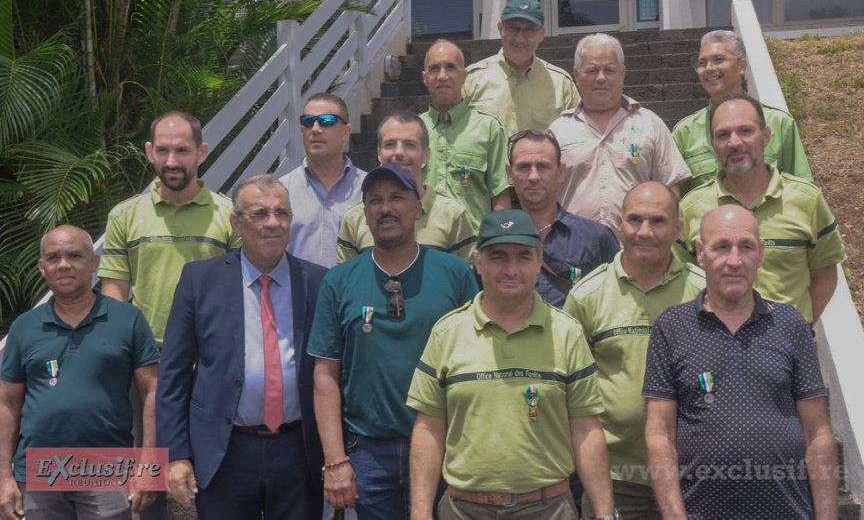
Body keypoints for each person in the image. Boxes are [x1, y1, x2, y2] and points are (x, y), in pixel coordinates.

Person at [408, 209, 620, 520]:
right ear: (478, 263)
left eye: (523, 257)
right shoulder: (446, 333)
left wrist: (605, 515)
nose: (511, 269)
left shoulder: (567, 333)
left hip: (549, 509)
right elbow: (429, 428)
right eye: (498, 257)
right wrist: (420, 513)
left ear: (538, 263)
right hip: (463, 510)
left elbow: (586, 429)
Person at [643, 204, 838, 520]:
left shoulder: (791, 324)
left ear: (760, 254)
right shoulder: (672, 328)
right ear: (701, 253)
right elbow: (659, 435)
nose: (734, 260)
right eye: (721, 247)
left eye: (745, 247)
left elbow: (818, 433)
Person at [310, 164, 478, 519]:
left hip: (444, 445)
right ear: (365, 215)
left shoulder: (455, 273)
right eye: (375, 201)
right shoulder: (338, 281)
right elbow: (325, 375)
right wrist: (336, 461)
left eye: (397, 198)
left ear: (418, 208)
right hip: (368, 451)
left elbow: (476, 362)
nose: (385, 208)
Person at [156, 174, 326, 519]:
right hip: (225, 450)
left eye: (282, 213)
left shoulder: (319, 281)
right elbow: (173, 377)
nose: (273, 223)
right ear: (236, 222)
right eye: (260, 214)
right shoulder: (199, 280)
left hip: (298, 449)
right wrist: (175, 455)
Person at [562, 182, 705, 519]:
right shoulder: (587, 295)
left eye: (658, 221)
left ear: (678, 228)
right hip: (613, 477)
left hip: (693, 472)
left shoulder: (703, 291)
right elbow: (568, 388)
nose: (645, 231)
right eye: (635, 220)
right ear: (619, 222)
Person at [0, 226, 160, 520]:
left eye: (74, 255)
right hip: (38, 471)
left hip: (107, 469)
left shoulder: (128, 318)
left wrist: (149, 468)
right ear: (42, 267)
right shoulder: (24, 327)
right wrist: (3, 477)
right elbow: (7, 404)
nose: (63, 264)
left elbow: (153, 392)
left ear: (94, 262)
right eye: (53, 257)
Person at [675, 94, 846, 324]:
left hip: (788, 351)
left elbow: (824, 274)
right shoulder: (692, 207)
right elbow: (678, 278)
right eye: (723, 135)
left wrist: (799, 329)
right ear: (713, 143)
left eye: (745, 131)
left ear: (765, 136)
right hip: (715, 349)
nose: (734, 143)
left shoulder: (806, 201)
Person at [100, 111, 241, 347]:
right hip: (145, 353)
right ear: (149, 152)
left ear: (201, 153)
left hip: (211, 350)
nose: (171, 161)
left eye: (182, 150)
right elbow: (115, 295)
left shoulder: (231, 217)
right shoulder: (123, 216)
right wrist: (130, 352)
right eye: (162, 150)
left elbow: (241, 293)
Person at [550, 34, 691, 238]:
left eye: (609, 70)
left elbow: (670, 189)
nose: (600, 78)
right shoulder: (558, 130)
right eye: (591, 70)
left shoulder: (650, 124)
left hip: (638, 249)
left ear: (623, 74)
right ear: (576, 74)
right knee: (576, 272)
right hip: (574, 254)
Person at [672, 30, 812, 195]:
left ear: (741, 66)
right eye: (702, 63)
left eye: (718, 60)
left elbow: (804, 190)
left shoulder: (779, 123)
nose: (709, 68)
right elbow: (680, 203)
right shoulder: (684, 133)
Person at [337, 111, 476, 264]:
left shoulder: (453, 216)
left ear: (426, 154)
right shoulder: (355, 219)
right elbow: (346, 282)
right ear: (379, 154)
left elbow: (465, 282)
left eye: (410, 145)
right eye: (390, 144)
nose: (399, 152)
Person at [507, 128, 619, 308]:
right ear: (509, 174)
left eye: (543, 166)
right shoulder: (496, 239)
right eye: (523, 167)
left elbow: (616, 302)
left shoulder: (597, 238)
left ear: (561, 172)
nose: (534, 176)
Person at [419, 40, 511, 230]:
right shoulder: (409, 132)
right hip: (420, 248)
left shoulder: (489, 129)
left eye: (451, 68)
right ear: (425, 78)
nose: (442, 76)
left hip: (472, 250)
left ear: (464, 76)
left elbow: (500, 198)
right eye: (434, 69)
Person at [462, 0, 580, 136]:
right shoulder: (470, 79)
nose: (519, 39)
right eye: (513, 28)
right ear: (501, 28)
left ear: (542, 34)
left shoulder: (561, 85)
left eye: (529, 30)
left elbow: (578, 136)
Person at [280, 92, 366, 268]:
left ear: (346, 132)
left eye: (327, 121)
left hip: (354, 293)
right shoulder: (281, 190)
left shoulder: (369, 189)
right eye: (308, 121)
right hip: (299, 294)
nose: (316, 129)